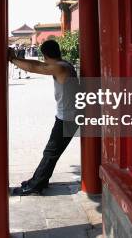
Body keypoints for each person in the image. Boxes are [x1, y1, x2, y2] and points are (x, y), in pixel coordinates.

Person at [8, 39, 79, 195]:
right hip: (67, 116)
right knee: (51, 153)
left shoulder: (60, 68)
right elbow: (37, 63)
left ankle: (35, 185)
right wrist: (17, 59)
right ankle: (40, 180)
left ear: (45, 54)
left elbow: (36, 67)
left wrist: (12, 59)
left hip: (67, 119)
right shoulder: (63, 64)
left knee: (50, 153)